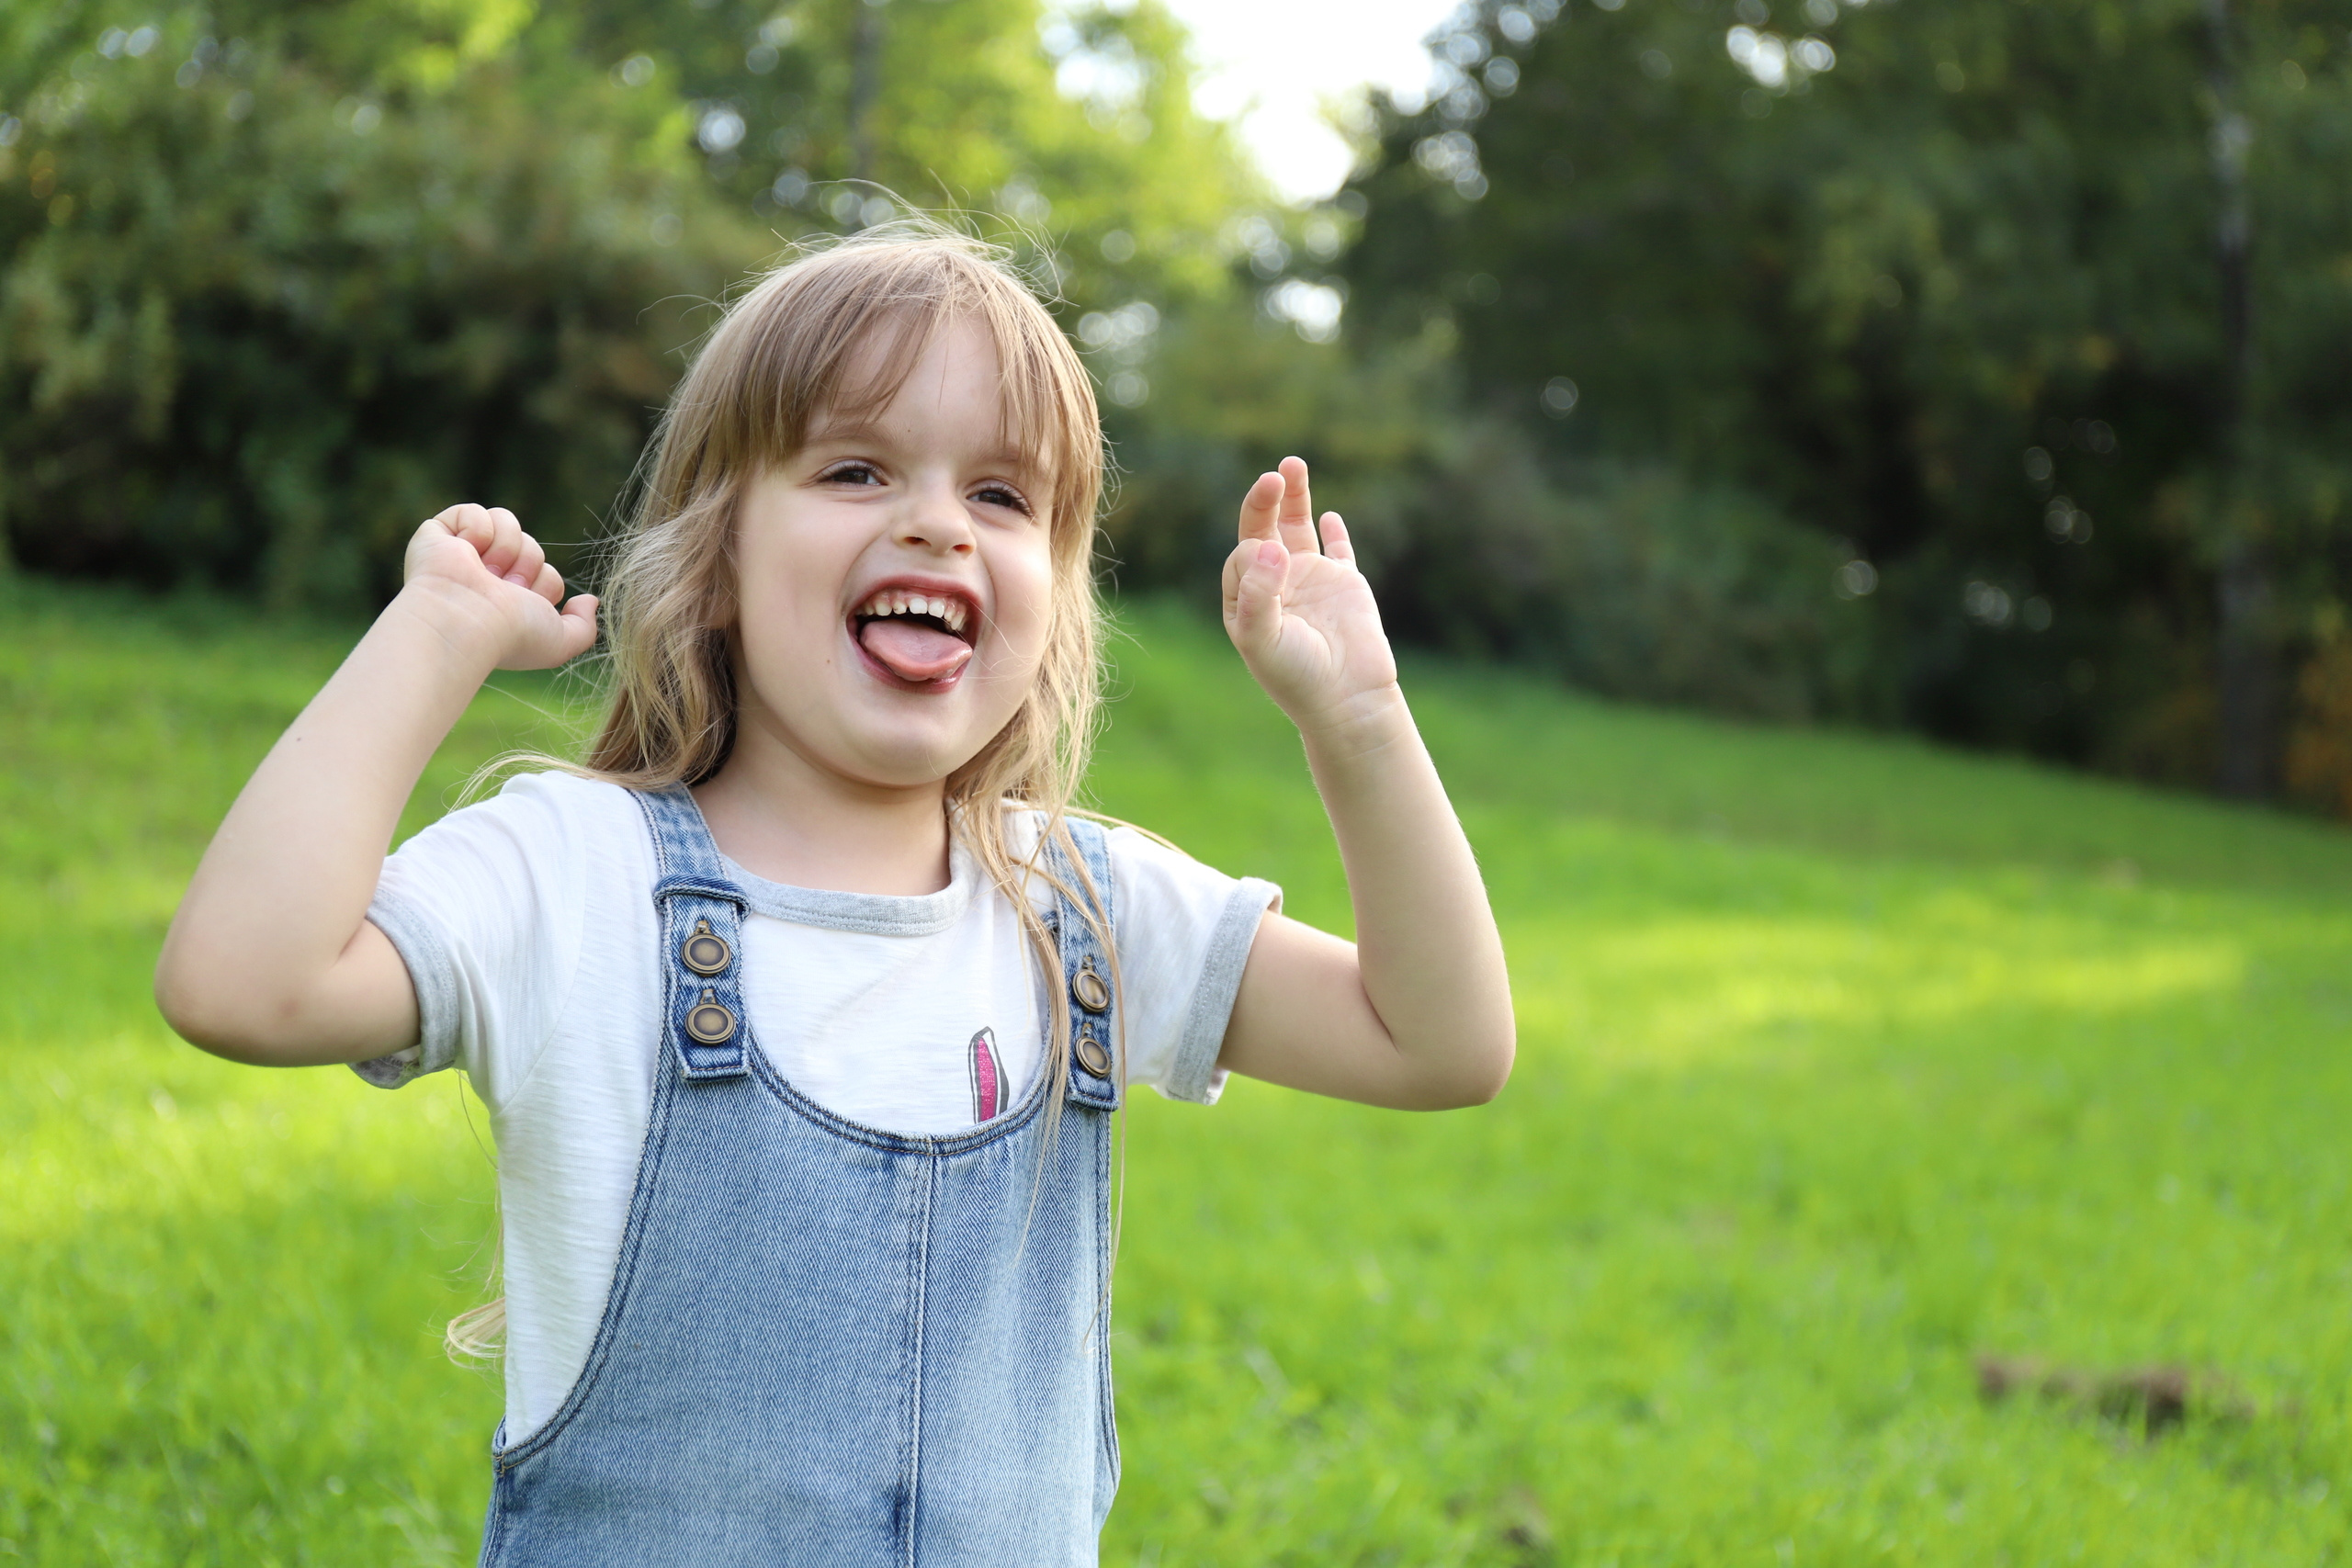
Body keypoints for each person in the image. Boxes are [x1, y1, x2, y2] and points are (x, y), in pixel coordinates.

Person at [154, 228, 1513, 1565]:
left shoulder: (1079, 909)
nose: (934, 519)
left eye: (1001, 495)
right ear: (715, 557)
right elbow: (241, 982)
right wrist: (437, 637)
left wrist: (1364, 721)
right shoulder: (577, 875)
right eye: (856, 468)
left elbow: (1439, 1042)